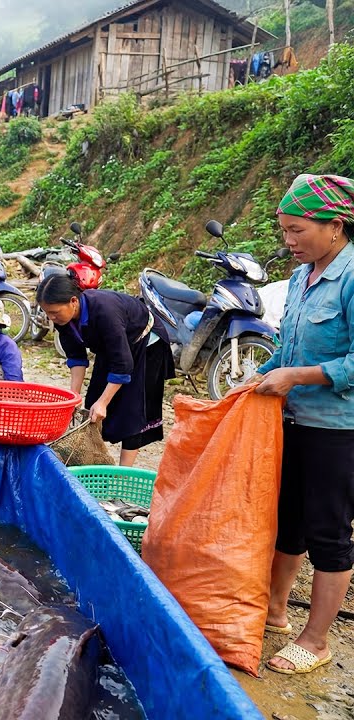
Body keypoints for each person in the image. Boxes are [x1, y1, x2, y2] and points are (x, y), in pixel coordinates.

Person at [252, 174, 354, 675]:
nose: (289, 241)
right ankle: (275, 611)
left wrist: (297, 376)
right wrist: (260, 375)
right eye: (284, 231)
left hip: (337, 430)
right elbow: (287, 349)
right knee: (286, 519)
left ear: (335, 226)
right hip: (291, 420)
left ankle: (315, 641)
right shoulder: (300, 277)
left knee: (328, 531)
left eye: (297, 230)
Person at [36, 273, 174, 467]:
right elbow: (77, 358)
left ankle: (123, 475)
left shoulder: (104, 311)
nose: (51, 317)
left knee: (131, 409)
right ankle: (93, 461)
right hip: (114, 348)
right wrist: (74, 397)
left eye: (54, 312)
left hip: (146, 342)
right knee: (92, 402)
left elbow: (123, 364)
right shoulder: (62, 320)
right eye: (47, 313)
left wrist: (103, 402)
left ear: (73, 301)